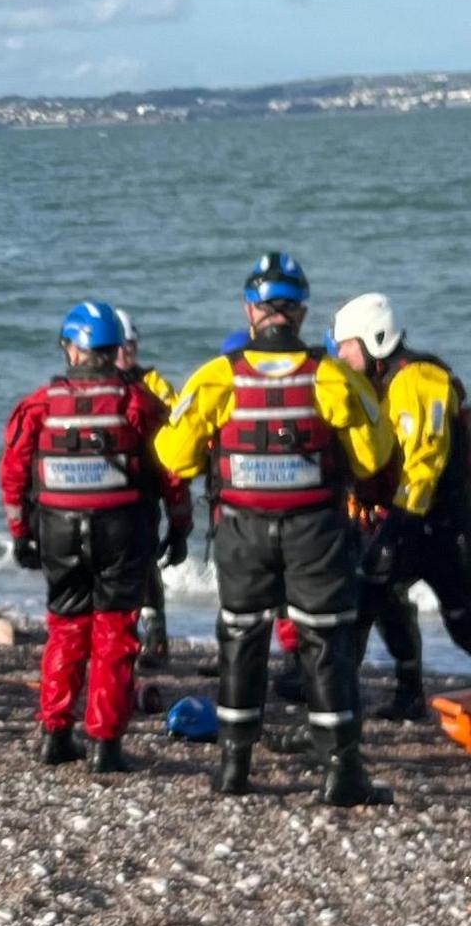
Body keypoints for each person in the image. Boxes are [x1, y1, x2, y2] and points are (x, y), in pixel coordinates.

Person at [155, 253, 396, 805]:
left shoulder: (217, 376)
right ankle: (342, 773)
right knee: (326, 643)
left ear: (251, 311)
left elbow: (174, 455)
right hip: (316, 533)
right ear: (302, 314)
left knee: (241, 639)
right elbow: (374, 456)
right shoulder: (331, 375)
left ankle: (233, 767)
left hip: (241, 532)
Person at [339, 291, 471, 779]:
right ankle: (407, 697)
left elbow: (424, 461)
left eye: (345, 346)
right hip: (424, 528)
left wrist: (393, 528)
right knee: (376, 609)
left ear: (374, 341)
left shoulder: (419, 380)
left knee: (469, 630)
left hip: (431, 530)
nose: (339, 357)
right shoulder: (392, 382)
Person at [0, 301, 183, 772]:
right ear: (112, 350)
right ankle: (105, 743)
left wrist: (21, 532)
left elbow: (14, 471)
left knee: (66, 628)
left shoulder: (40, 403)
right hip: (122, 532)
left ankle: (55, 732)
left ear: (72, 349)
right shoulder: (139, 402)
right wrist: (181, 527)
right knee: (115, 634)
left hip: (58, 531)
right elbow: (172, 470)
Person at [110, 307, 182, 656]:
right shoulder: (100, 387)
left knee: (147, 560)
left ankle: (156, 631)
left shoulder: (152, 383)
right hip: (111, 491)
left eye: (132, 345)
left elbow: (175, 416)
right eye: (122, 345)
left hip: (145, 486)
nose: (127, 352)